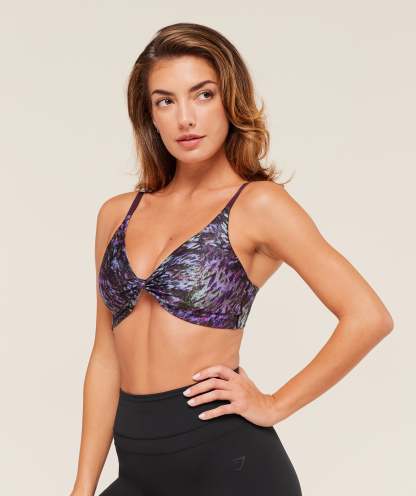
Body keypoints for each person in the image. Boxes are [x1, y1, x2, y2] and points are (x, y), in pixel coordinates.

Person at [70, 22, 394, 496]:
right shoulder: (117, 214)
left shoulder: (258, 205)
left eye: (203, 95)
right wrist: (83, 486)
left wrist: (274, 404)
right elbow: (105, 358)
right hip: (138, 470)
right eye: (166, 101)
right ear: (150, 115)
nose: (185, 118)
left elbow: (368, 317)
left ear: (230, 101)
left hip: (230, 467)